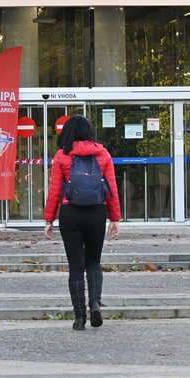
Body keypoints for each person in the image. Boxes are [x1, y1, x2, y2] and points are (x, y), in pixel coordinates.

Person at [43, 115, 121, 331]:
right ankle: (95, 303)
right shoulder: (103, 153)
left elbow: (55, 191)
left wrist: (49, 219)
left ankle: (79, 317)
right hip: (96, 212)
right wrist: (114, 218)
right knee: (94, 262)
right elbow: (111, 189)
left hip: (71, 213)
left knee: (76, 266)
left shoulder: (62, 156)